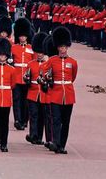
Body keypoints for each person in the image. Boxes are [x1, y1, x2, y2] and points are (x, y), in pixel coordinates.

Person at [45, 26, 77, 155]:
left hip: (68, 94)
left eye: (64, 47)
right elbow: (46, 73)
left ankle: (62, 145)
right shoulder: (52, 61)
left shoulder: (73, 62)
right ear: (57, 47)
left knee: (66, 122)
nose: (63, 49)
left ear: (67, 47)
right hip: (56, 94)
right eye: (60, 47)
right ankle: (56, 142)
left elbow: (73, 77)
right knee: (56, 120)